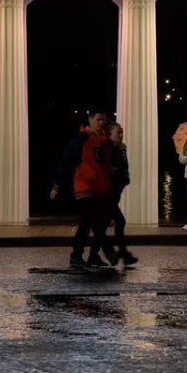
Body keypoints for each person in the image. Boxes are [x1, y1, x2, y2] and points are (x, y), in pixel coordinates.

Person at [50, 110, 115, 270]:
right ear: (90, 119)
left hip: (99, 189)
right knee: (94, 221)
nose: (101, 123)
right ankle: (80, 255)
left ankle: (87, 256)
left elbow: (105, 164)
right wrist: (56, 186)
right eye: (98, 120)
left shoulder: (104, 141)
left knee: (88, 223)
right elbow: (67, 161)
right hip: (84, 187)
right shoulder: (81, 139)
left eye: (104, 120)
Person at [106, 123, 138, 266]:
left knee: (106, 223)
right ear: (110, 134)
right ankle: (122, 253)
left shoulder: (121, 148)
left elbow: (124, 166)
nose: (121, 135)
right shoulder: (108, 148)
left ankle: (122, 253)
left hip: (117, 188)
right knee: (118, 221)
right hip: (109, 191)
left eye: (122, 132)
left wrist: (125, 177)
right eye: (118, 132)